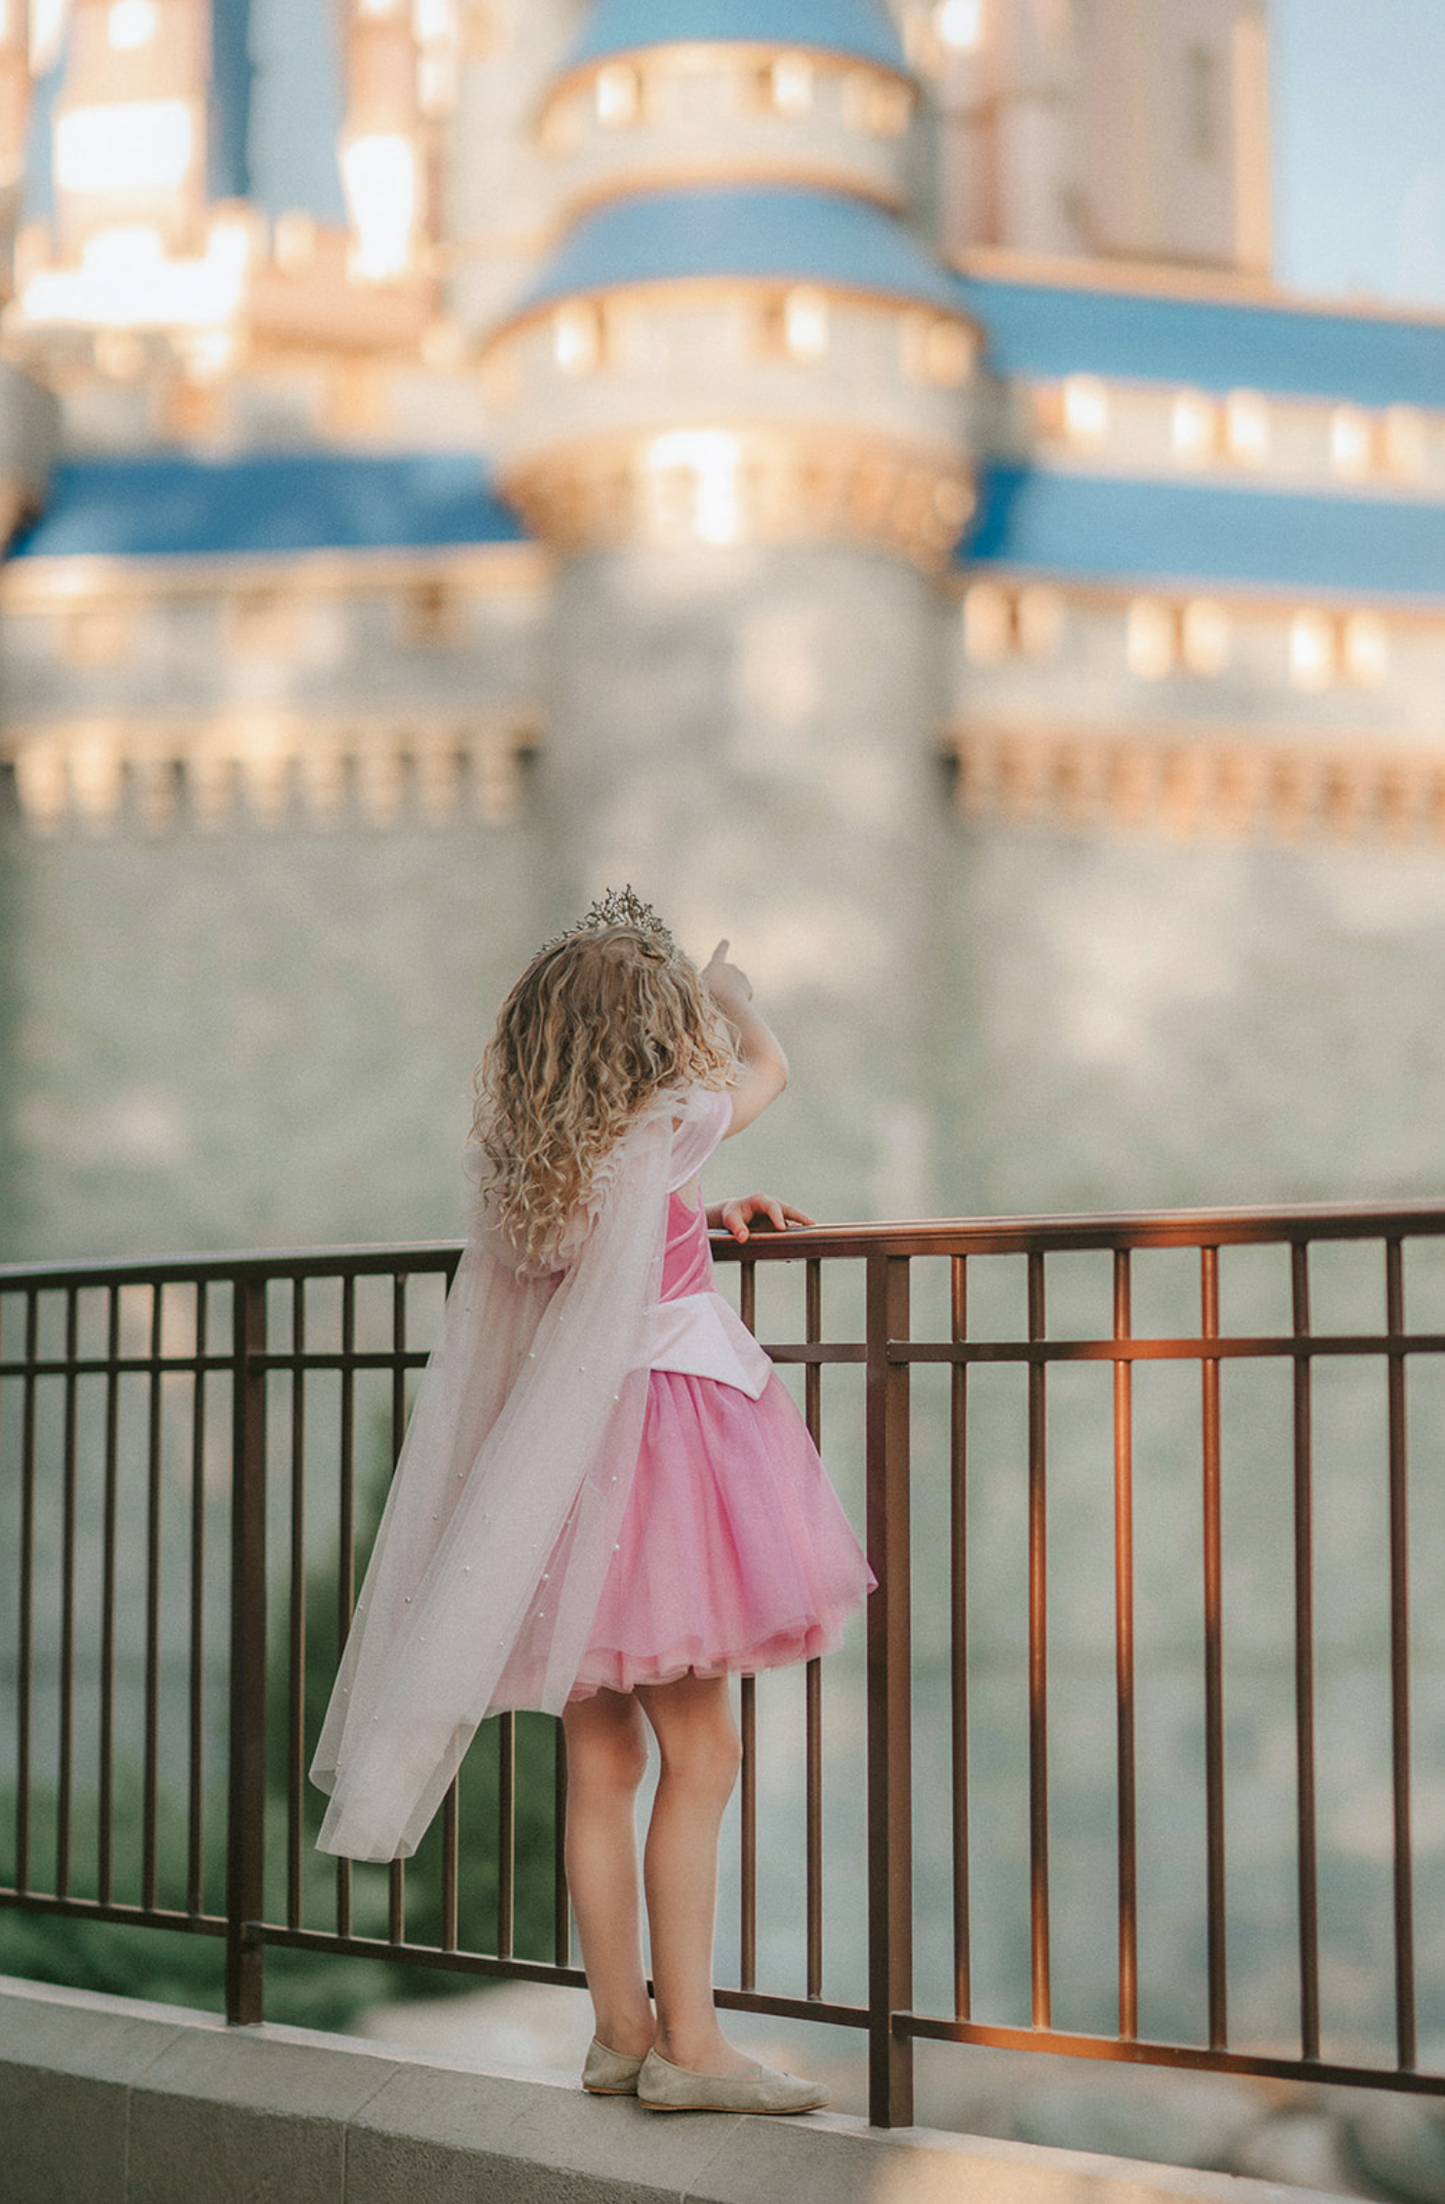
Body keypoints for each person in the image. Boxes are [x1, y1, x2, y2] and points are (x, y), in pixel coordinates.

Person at [310, 888, 873, 2116]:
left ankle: (619, 2030)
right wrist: (732, 996)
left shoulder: (518, 1166)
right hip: (665, 1458)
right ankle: (695, 2044)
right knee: (703, 1753)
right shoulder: (671, 1120)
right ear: (650, 1033)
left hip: (560, 1472)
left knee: (601, 1758)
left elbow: (598, 1252)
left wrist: (694, 1219)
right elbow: (769, 1068)